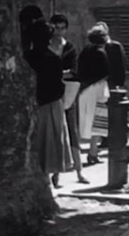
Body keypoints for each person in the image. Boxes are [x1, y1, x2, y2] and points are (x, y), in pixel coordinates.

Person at [22, 19, 73, 188]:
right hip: (50, 103)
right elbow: (58, 86)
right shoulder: (53, 59)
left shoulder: (26, 57)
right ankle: (52, 177)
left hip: (31, 103)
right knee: (53, 140)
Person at [49, 14, 89, 185]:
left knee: (72, 131)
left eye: (62, 28)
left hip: (67, 93)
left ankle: (79, 172)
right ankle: (55, 175)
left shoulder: (70, 47)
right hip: (48, 94)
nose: (59, 31)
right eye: (56, 28)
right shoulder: (44, 47)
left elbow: (74, 70)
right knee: (54, 134)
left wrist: (54, 72)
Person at [77, 26, 110, 165]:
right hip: (98, 88)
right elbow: (106, 72)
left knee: (88, 122)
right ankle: (93, 153)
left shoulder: (85, 51)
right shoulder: (101, 53)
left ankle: (91, 152)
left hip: (85, 89)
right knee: (98, 123)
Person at [94, 21, 127, 149]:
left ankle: (116, 138)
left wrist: (119, 84)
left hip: (113, 83)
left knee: (114, 112)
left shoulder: (115, 46)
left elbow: (122, 65)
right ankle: (105, 139)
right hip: (100, 84)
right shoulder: (96, 47)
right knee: (102, 113)